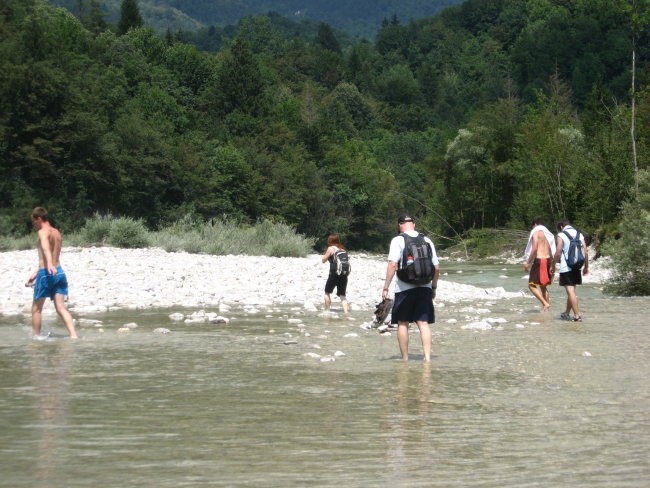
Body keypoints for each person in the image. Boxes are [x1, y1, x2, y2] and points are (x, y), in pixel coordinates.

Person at [382, 215, 440, 361]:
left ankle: (405, 359)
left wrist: (386, 287)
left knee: (402, 322)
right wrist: (433, 287)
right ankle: (427, 359)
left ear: (400, 225)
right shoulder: (427, 240)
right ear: (413, 224)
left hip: (404, 287)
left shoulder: (398, 240)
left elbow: (392, 265)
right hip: (425, 286)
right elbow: (437, 268)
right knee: (423, 323)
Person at [25, 207, 78, 339]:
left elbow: (46, 248)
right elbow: (54, 253)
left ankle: (36, 338)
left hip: (46, 273)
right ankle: (73, 335)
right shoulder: (56, 232)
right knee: (60, 308)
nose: (34, 225)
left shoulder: (43, 232)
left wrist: (47, 264)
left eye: (34, 222)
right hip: (59, 272)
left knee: (36, 309)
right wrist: (37, 271)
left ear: (39, 218)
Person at [551, 219, 589, 322]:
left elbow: (558, 252)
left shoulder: (561, 235)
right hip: (577, 266)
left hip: (566, 267)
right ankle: (567, 313)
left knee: (570, 291)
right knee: (572, 291)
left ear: (561, 227)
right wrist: (586, 267)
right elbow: (585, 251)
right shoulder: (579, 234)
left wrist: (553, 265)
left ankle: (577, 316)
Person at [523, 217, 556, 311]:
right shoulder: (547, 233)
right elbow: (551, 248)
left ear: (535, 225)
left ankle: (545, 304)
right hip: (548, 259)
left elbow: (534, 248)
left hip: (540, 260)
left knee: (531, 285)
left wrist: (528, 262)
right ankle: (546, 310)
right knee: (543, 286)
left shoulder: (536, 232)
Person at [321, 233, 349, 313]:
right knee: (342, 295)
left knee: (327, 292)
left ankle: (327, 311)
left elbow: (323, 260)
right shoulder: (343, 249)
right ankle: (346, 313)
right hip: (343, 274)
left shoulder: (330, 248)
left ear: (330, 240)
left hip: (333, 274)